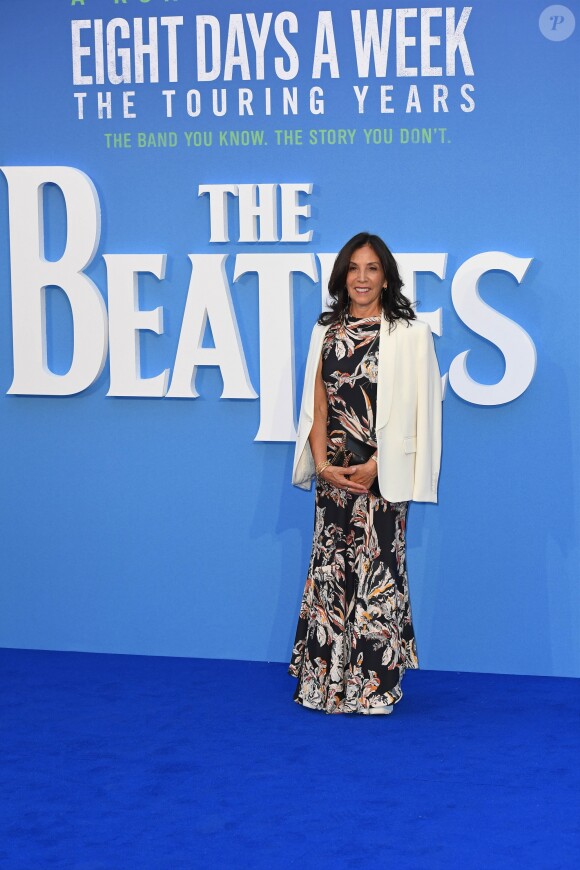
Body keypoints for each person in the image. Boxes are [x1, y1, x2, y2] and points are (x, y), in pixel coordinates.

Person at [289, 232, 442, 715]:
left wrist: (378, 465)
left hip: (382, 476)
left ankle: (373, 687)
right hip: (333, 474)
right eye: (354, 268)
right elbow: (316, 403)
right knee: (331, 573)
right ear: (342, 276)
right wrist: (323, 466)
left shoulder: (411, 333)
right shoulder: (325, 331)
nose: (362, 277)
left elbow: (422, 410)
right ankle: (324, 685)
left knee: (378, 574)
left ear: (386, 276)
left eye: (372, 268)